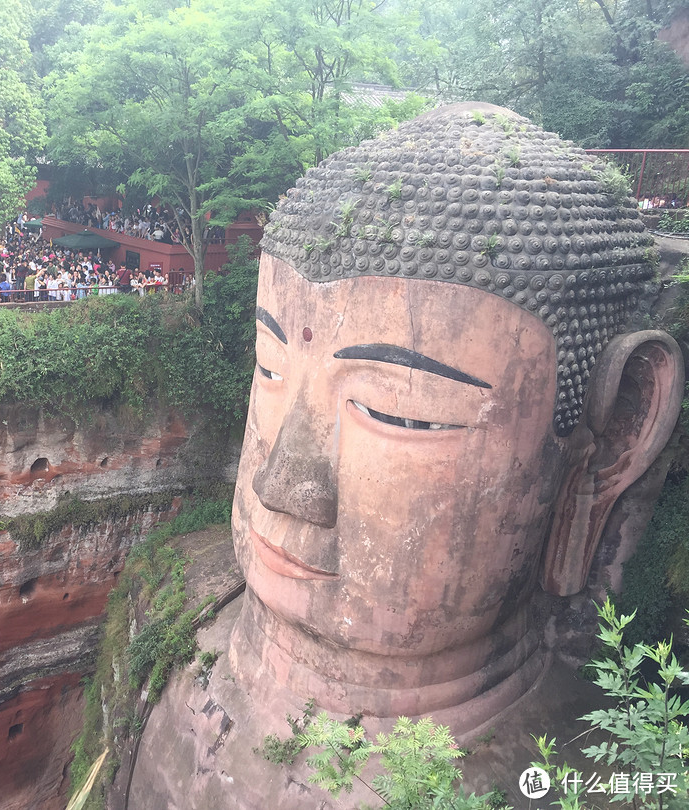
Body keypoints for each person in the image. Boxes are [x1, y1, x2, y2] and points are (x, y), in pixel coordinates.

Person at [129, 103, 684, 810]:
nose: (282, 483)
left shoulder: (591, 785)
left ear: (615, 441)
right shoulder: (170, 612)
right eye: (268, 367)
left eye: (398, 410)